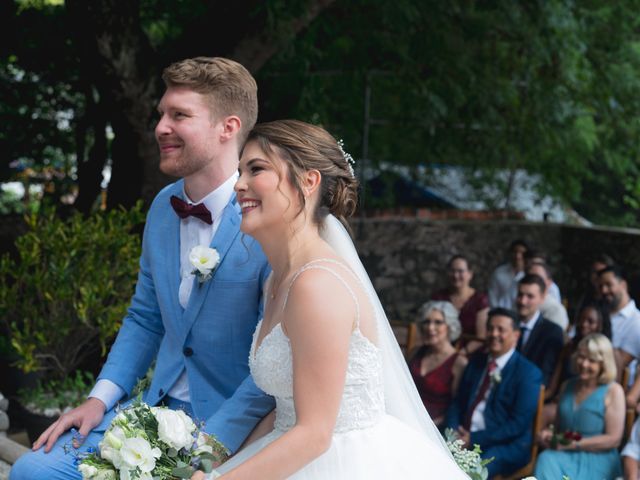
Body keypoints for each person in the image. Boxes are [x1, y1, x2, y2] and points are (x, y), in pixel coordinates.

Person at [10, 57, 275, 480]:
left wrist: (210, 452)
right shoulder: (162, 208)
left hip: (232, 429)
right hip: (152, 411)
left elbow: (271, 364)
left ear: (228, 127)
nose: (161, 127)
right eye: (161, 114)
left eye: (179, 115)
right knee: (32, 470)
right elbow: (145, 318)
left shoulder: (266, 222)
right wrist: (99, 400)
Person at [193, 120, 468, 479]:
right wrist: (219, 468)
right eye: (239, 171)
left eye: (256, 169)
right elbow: (284, 412)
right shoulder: (279, 279)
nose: (239, 184)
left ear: (308, 182)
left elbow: (315, 434)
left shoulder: (316, 284)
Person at [445, 307, 543, 478]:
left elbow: (517, 425)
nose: (493, 334)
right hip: (463, 435)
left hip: (503, 444)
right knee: (431, 452)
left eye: (501, 330)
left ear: (516, 335)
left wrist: (473, 439)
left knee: (471, 472)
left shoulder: (528, 373)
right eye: (490, 328)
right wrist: (453, 434)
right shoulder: (476, 362)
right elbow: (457, 403)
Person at [534, 334, 624, 480]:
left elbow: (614, 439)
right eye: (581, 357)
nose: (584, 364)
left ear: (603, 363)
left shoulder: (613, 391)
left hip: (598, 458)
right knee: (545, 459)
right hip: (563, 454)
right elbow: (558, 428)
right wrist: (548, 435)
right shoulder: (567, 386)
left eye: (592, 360)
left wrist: (574, 445)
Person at [408, 301, 468, 427]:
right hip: (406, 416)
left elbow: (456, 406)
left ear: (450, 326)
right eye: (426, 322)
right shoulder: (415, 352)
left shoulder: (459, 363)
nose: (430, 327)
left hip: (435, 427)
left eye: (438, 322)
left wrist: (429, 426)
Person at [431, 254, 489, 352]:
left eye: (460, 271)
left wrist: (458, 354)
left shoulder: (480, 300)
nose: (456, 275)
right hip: (439, 350)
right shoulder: (439, 297)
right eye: (452, 271)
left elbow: (481, 337)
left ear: (470, 274)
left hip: (469, 354)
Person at [515, 273, 565, 386]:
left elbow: (545, 376)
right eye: (520, 295)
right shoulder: (508, 324)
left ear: (542, 298)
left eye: (530, 296)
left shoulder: (552, 332)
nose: (523, 301)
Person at [526, 261, 569, 331]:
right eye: (529, 277)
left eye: (537, 278)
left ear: (549, 283)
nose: (532, 282)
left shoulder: (555, 310)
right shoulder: (520, 302)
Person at [488, 239, 528, 309]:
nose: (518, 256)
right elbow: (492, 296)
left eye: (522, 252)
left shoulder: (530, 274)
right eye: (515, 252)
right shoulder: (499, 272)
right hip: (500, 314)